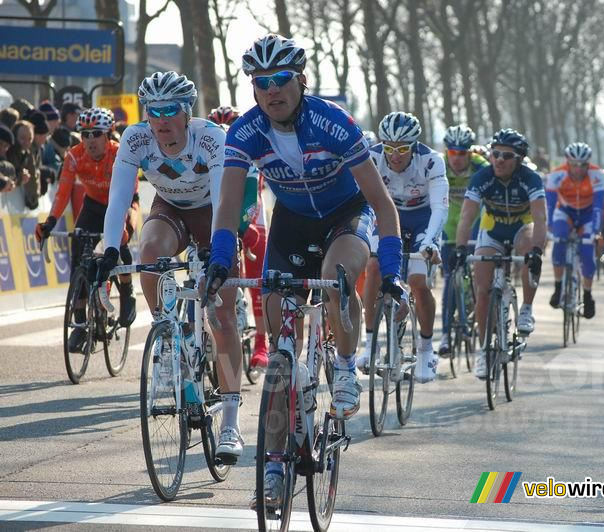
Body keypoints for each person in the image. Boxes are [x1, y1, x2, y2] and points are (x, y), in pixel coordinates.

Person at [204, 34, 405, 508]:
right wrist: (218, 260)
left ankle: (343, 366)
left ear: (302, 81)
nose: (271, 90)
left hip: (347, 216)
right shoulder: (245, 132)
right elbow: (228, 207)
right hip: (292, 224)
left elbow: (383, 204)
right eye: (261, 82)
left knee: (336, 281)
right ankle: (274, 467)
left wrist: (391, 268)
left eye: (281, 80)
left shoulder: (333, 123)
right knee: (281, 352)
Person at [97, 71, 246, 465]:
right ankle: (167, 335)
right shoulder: (136, 137)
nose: (161, 120)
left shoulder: (212, 137)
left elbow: (222, 200)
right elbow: (118, 199)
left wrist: (217, 255)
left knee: (224, 316)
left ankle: (230, 420)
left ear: (186, 112)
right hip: (170, 210)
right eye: (153, 111)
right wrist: (111, 250)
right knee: (149, 250)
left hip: (215, 212)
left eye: (170, 110)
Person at [35, 108, 138, 350]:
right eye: (85, 134)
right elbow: (62, 192)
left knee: (120, 244)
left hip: (122, 202)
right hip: (93, 206)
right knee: (79, 251)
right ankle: (80, 323)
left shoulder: (121, 153)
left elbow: (128, 190)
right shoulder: (74, 156)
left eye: (96, 134)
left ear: (108, 135)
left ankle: (127, 292)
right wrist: (50, 221)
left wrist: (121, 223)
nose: (90, 140)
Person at [358, 112, 448, 383]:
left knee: (418, 281)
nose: (395, 155)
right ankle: (370, 342)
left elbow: (439, 207)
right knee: (373, 265)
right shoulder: (372, 158)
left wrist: (431, 241)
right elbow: (360, 202)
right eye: (389, 147)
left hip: (422, 219)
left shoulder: (431, 161)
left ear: (414, 146)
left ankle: (425, 350)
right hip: (388, 216)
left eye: (402, 148)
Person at [454, 128, 546, 379]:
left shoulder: (530, 179)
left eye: (506, 156)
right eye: (495, 154)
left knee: (528, 247)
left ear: (518, 159)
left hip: (521, 226)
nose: (499, 160)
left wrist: (537, 252)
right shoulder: (482, 178)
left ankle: (526, 308)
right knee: (482, 291)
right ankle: (484, 351)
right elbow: (466, 216)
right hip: (493, 229)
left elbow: (540, 219)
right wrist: (461, 249)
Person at [207, 105, 271, 371]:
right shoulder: (207, 150)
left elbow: (250, 198)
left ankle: (261, 342)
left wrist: (243, 229)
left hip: (250, 216)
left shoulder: (250, 149)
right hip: (220, 217)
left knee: (257, 277)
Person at [438, 124, 488, 356]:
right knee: (450, 277)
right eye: (452, 152)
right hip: (450, 222)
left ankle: (480, 316)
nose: (456, 157)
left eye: (462, 152)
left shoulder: (481, 167)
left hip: (476, 220)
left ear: (470, 152)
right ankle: (446, 334)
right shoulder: (439, 164)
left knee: (479, 277)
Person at [545, 142, 604, 319]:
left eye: (583, 165)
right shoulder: (557, 175)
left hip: (587, 215)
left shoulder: (597, 175)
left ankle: (587, 295)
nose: (578, 169)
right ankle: (558, 288)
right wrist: (549, 228)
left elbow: (599, 207)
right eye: (574, 165)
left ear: (588, 164)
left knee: (587, 254)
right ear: (567, 163)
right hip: (565, 212)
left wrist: (595, 231)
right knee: (559, 241)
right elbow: (549, 205)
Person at [0, 124, 17, 193]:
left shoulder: (4, 160)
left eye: (6, 146)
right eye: (0, 143)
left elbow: (12, 171)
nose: (2, 148)